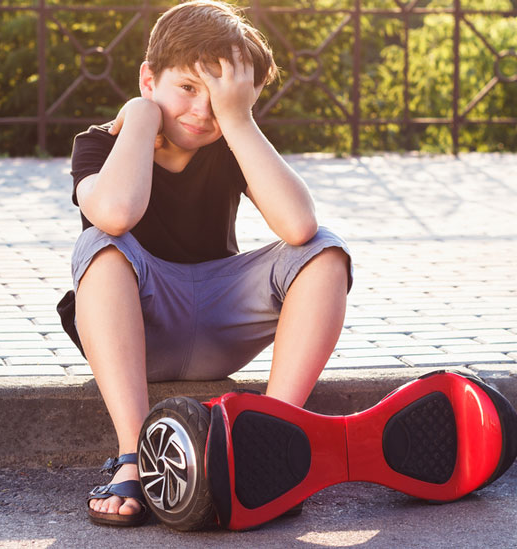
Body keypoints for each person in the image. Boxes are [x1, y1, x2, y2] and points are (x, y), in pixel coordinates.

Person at [58, 0, 353, 527]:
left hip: (222, 322)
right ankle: (135, 458)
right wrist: (142, 116)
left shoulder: (232, 139)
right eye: (188, 89)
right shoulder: (98, 143)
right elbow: (118, 212)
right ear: (148, 78)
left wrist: (239, 121)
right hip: (143, 332)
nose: (202, 110)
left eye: (220, 95)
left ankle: (271, 442)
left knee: (325, 251)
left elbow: (298, 228)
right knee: (98, 246)